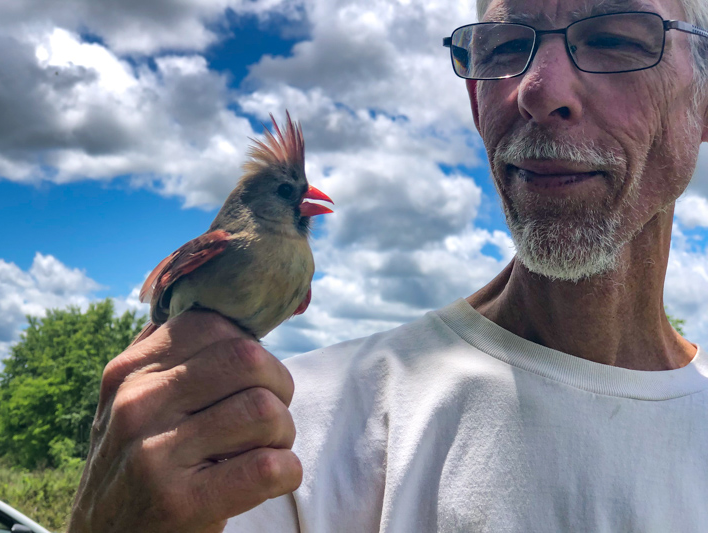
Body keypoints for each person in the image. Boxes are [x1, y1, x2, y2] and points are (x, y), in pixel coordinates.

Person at [67, 0, 708, 531]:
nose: (539, 91)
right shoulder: (282, 436)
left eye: (617, 39)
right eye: (505, 49)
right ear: (475, 100)